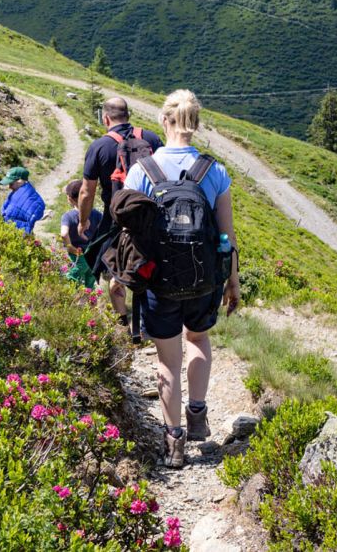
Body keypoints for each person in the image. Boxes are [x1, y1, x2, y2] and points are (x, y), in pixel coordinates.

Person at [124, 89, 241, 469]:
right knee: (199, 339)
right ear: (196, 124)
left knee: (166, 360)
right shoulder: (215, 171)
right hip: (204, 279)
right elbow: (226, 237)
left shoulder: (143, 171)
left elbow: (129, 232)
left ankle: (174, 441)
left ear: (164, 121)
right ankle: (197, 413)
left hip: (159, 281)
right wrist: (232, 280)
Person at [78, 97, 162, 319]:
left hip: (116, 217)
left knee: (114, 267)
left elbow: (87, 191)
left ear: (106, 118)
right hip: (153, 214)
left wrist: (82, 220)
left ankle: (122, 319)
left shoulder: (100, 146)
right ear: (128, 116)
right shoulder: (151, 138)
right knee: (151, 261)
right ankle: (151, 316)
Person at [60, 180, 102, 288]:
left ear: (69, 199)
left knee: (72, 282)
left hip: (77, 256)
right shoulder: (96, 213)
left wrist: (70, 248)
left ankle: (74, 303)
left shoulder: (68, 216)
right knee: (90, 284)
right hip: (92, 256)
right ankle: (90, 303)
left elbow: (64, 233)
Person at [0, 166, 45, 235]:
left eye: (11, 183)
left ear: (20, 181)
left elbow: (7, 215)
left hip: (17, 235)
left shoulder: (24, 196)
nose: (9, 187)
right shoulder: (21, 192)